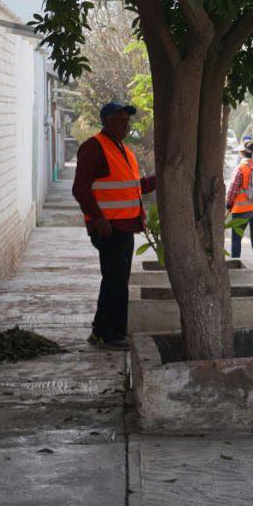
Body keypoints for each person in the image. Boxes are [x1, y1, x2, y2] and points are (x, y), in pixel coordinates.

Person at [71, 102, 156, 350]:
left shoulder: (123, 150)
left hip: (124, 226)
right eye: (120, 120)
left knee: (115, 280)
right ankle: (112, 334)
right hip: (109, 228)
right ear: (106, 120)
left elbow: (132, 187)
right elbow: (80, 189)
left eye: (127, 121)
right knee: (116, 281)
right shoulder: (94, 147)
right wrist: (98, 219)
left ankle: (101, 331)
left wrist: (156, 180)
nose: (126, 125)